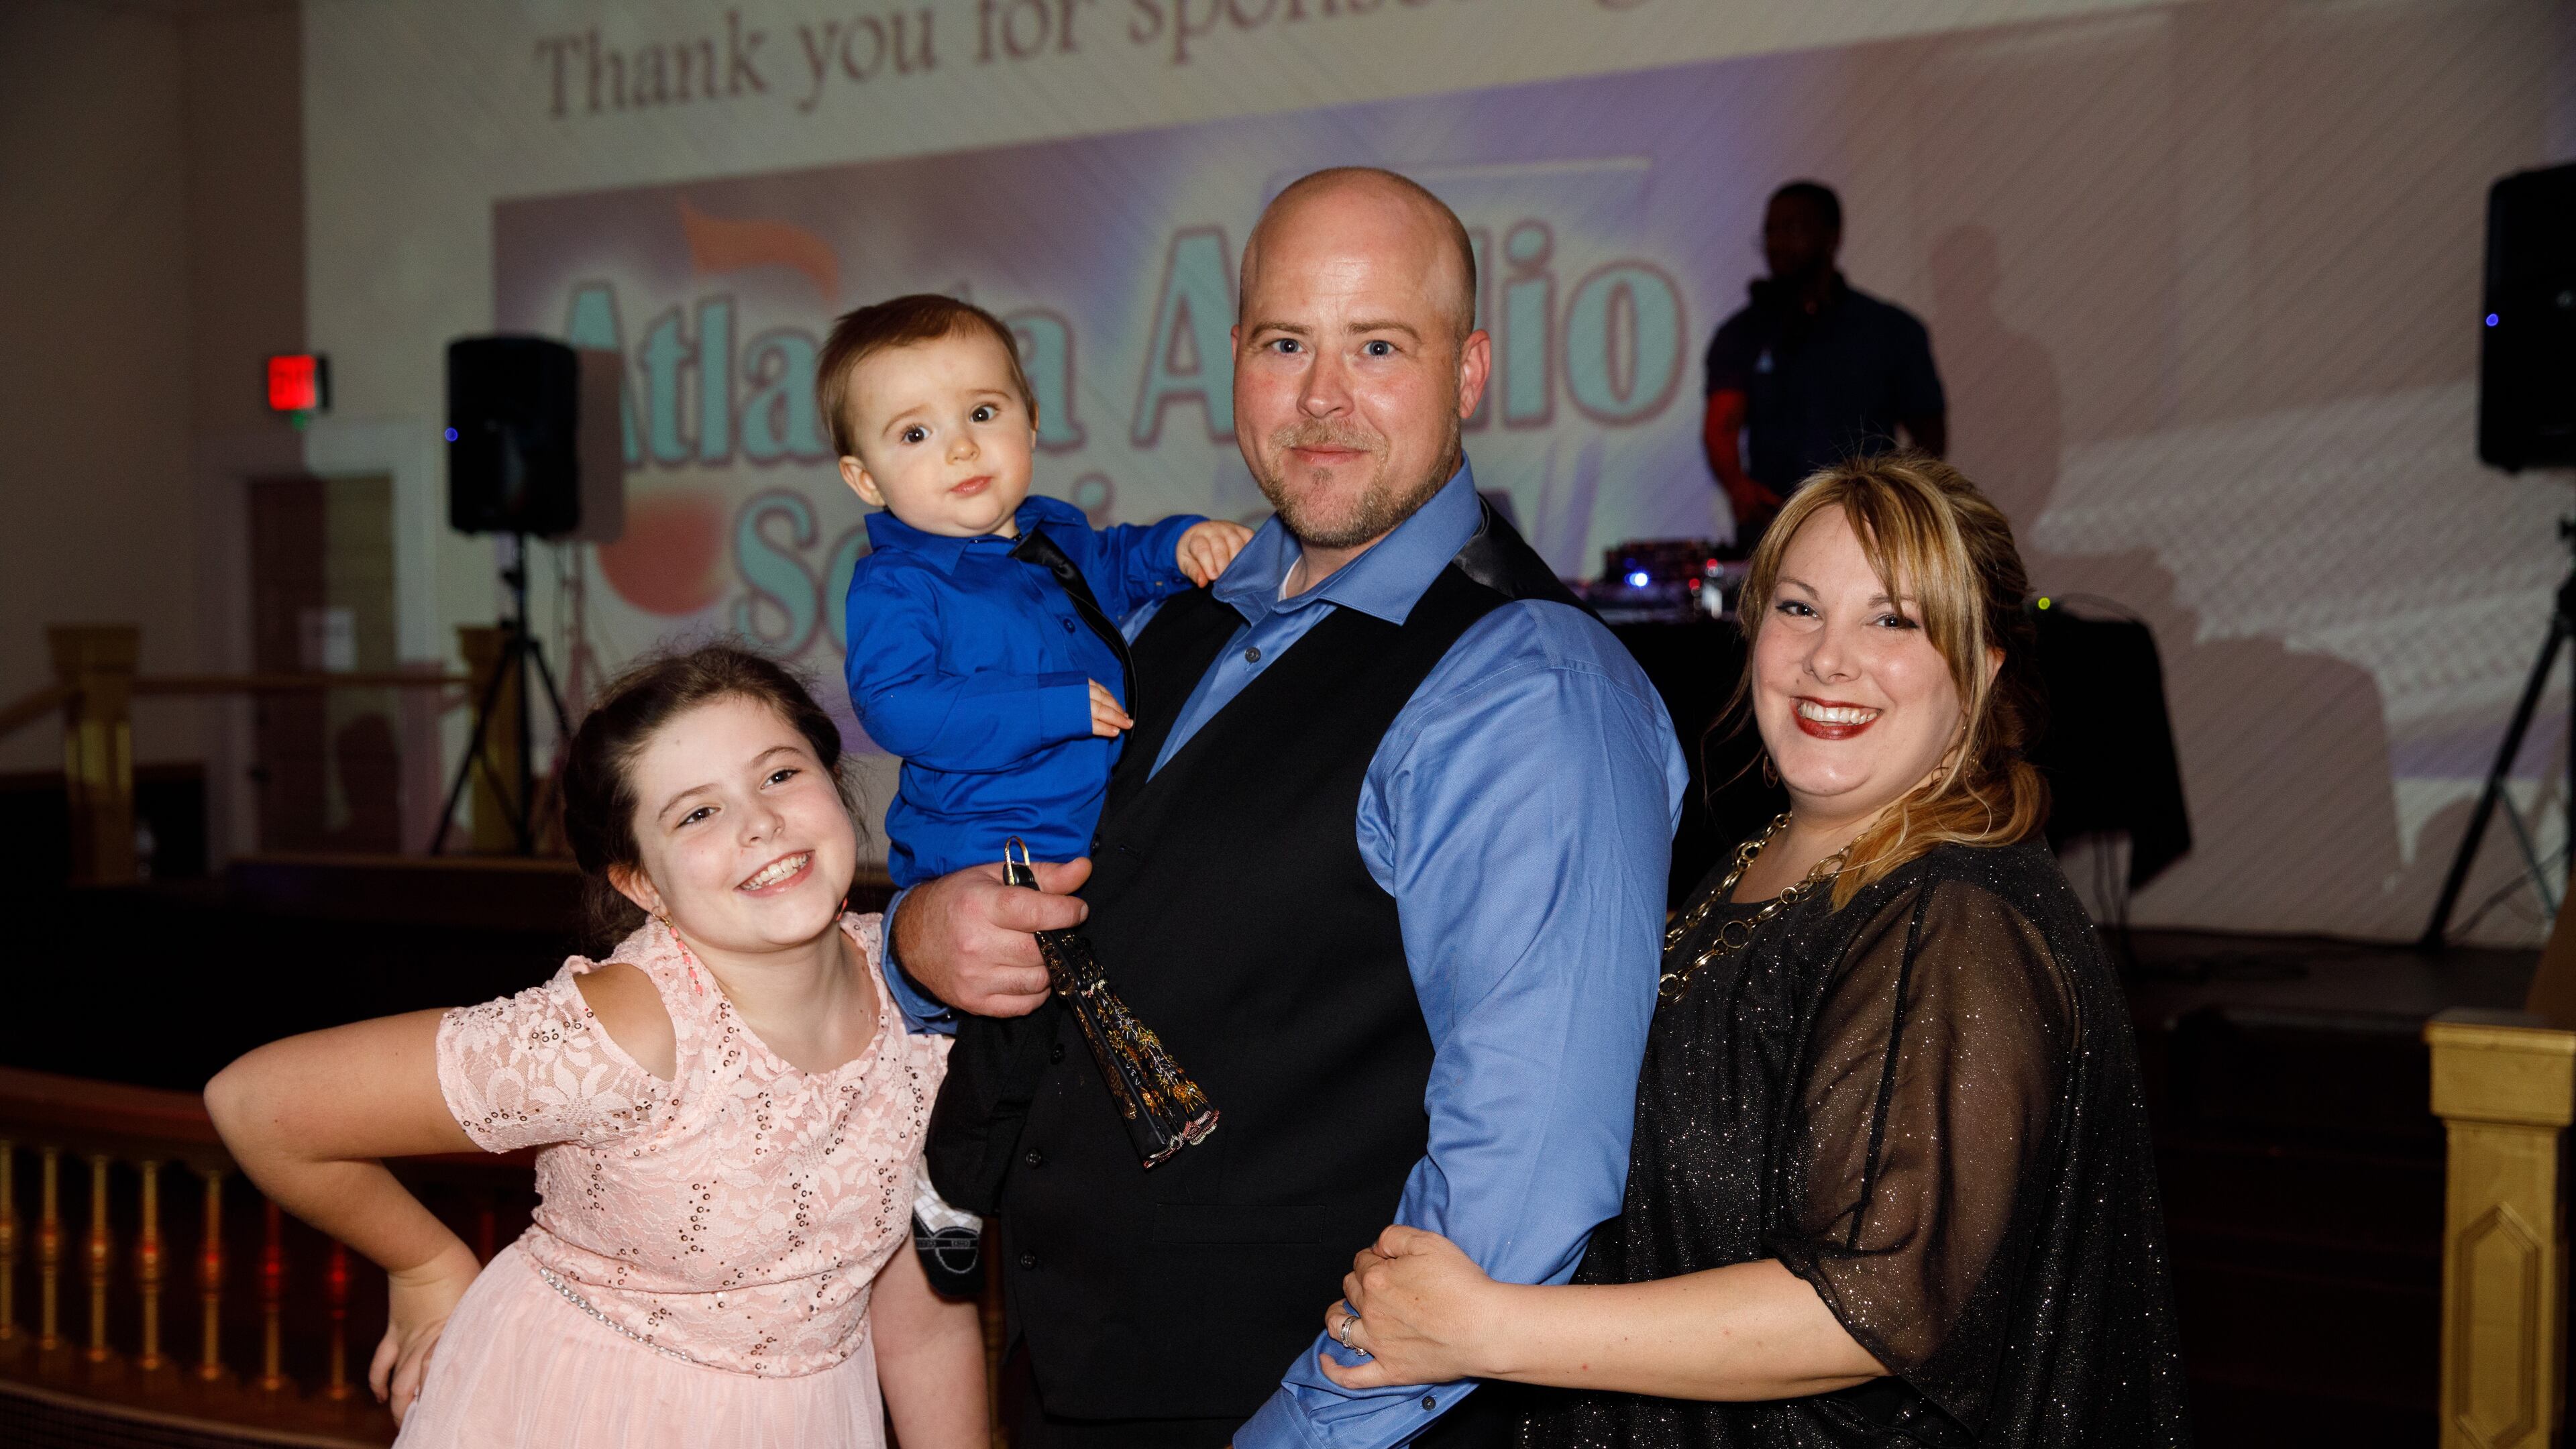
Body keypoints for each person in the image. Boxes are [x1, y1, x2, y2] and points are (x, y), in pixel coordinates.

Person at [895, 167, 1689, 1448]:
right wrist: (921, 938)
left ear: (1469, 371)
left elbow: (1521, 1188)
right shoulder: (1167, 620)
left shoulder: (1531, 686)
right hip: (1071, 1387)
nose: (1322, 396)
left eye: (1378, 346)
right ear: (1233, 362)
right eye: (1284, 344)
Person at [1319, 455, 2192, 1448]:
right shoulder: (1768, 856)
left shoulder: (1958, 921)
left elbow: (1865, 1309)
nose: (1829, 659)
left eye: (1894, 621)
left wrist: (1488, 1331)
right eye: (1800, 608)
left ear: (1983, 669)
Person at [203, 645, 986, 1449]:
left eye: (780, 775)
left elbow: (921, 1317)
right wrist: (425, 1265)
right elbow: (256, 1105)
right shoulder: (624, 1034)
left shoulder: (924, 997)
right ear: (642, 884)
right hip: (582, 1412)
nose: (760, 823)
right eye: (697, 814)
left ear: (833, 779)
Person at [828, 292, 1254, 888]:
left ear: (1030, 420)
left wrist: (1180, 543)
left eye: (982, 413)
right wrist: (1046, 706)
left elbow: (1117, 562)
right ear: (866, 479)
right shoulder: (896, 585)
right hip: (986, 861)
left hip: (1099, 839)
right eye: (916, 433)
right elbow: (896, 704)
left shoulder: (1058, 536)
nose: (961, 447)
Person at [1704, 182, 1947, 549]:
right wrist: (1739, 487)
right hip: (1774, 532)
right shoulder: (1743, 332)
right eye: (1770, 231)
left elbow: (1929, 435)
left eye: (1792, 229)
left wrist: (1899, 501)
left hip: (1870, 532)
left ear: (1832, 237)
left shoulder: (1890, 330)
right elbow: (1722, 425)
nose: (1777, 243)